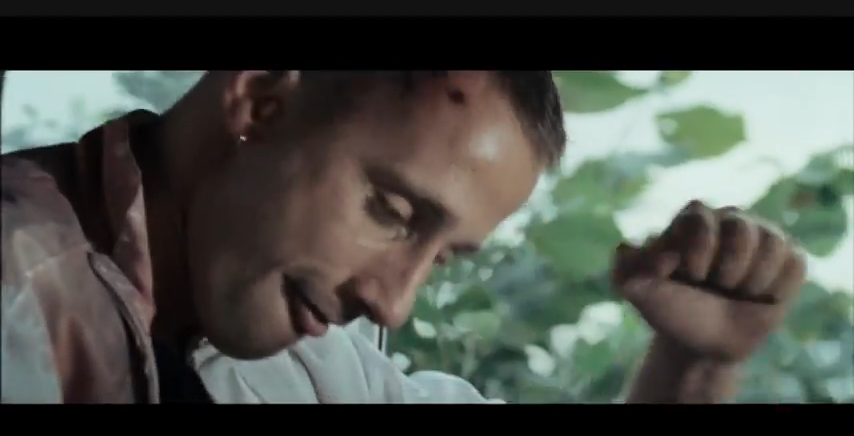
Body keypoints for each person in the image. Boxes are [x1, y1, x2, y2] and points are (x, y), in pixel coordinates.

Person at [1, 71, 806, 404]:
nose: (392, 301)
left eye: (442, 258)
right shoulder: (21, 305)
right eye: (390, 213)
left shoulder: (306, 361)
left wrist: (695, 365)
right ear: (261, 101)